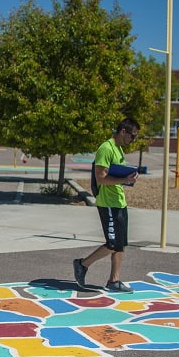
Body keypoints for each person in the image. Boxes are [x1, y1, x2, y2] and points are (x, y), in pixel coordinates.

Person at [73, 118, 141, 293]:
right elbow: (100, 178)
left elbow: (114, 176)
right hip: (108, 204)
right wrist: (125, 179)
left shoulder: (118, 150)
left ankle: (114, 281)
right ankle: (82, 264)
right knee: (111, 243)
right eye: (132, 136)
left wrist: (128, 179)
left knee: (120, 244)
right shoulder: (106, 148)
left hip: (119, 202)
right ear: (123, 131)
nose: (133, 140)